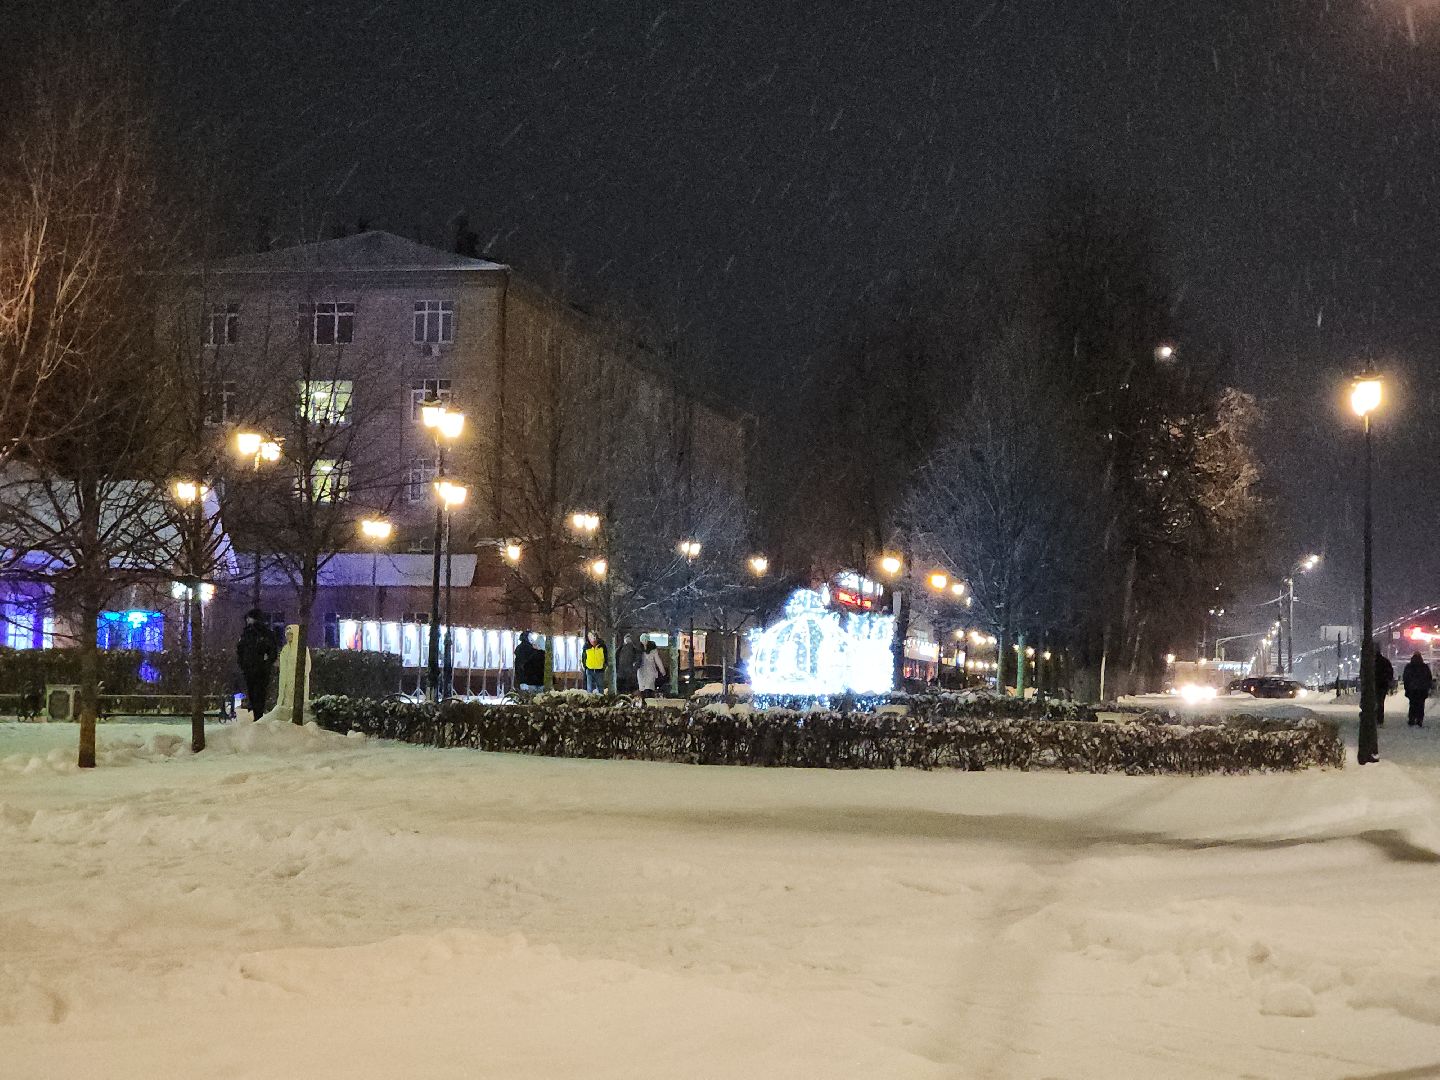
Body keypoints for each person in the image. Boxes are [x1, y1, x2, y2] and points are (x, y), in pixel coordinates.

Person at [235, 609, 278, 719]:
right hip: (253, 669)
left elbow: (272, 651)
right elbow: (240, 650)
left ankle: (257, 716)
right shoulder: (249, 633)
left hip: (257, 669)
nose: (247, 620)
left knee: (257, 693)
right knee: (255, 693)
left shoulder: (260, 633)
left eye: (249, 618)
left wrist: (265, 663)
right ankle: (257, 715)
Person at [1403, 651, 1433, 727]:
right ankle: (1419, 719)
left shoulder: (1409, 666)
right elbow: (1429, 678)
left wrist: (1407, 688)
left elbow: (1406, 678)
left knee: (1412, 704)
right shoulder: (1424, 667)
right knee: (1420, 705)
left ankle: (1412, 719)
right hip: (1422, 689)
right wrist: (1428, 687)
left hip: (1412, 689)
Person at [1376, 650, 1395, 727]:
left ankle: (1373, 718)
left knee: (1372, 701)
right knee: (1380, 702)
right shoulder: (1385, 661)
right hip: (1383, 685)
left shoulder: (1370, 662)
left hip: (1374, 684)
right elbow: (1390, 672)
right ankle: (1380, 719)